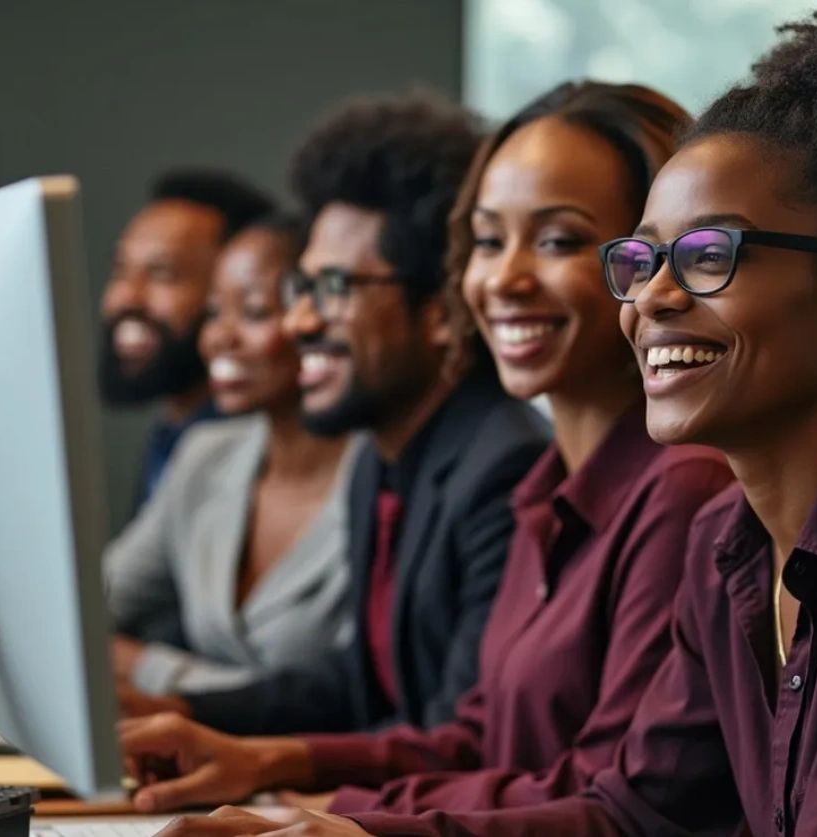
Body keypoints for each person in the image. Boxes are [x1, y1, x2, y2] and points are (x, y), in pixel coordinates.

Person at [139, 4, 817, 836]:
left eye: (710, 254)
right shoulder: (732, 540)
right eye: (638, 260)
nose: (653, 298)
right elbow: (639, 812)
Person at [118, 81, 733, 817]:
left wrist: (334, 812)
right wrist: (265, 762)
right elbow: (477, 737)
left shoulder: (680, 490)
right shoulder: (545, 484)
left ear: (645, 260)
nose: (504, 277)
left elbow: (609, 800)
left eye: (559, 240)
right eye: (485, 240)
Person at [120, 94, 550, 742]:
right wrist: (189, 716)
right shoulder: (384, 459)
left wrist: (279, 771)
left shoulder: (506, 468)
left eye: (335, 289)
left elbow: (464, 741)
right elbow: (354, 686)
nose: (302, 322)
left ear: (442, 311)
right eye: (303, 288)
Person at [104, 213, 363, 702]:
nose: (220, 337)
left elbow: (348, 699)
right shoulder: (206, 456)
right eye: (214, 312)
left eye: (254, 311)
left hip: (319, 769)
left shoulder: (380, 474)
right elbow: (100, 598)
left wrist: (147, 667)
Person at [100, 168, 276, 508]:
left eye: (163, 274)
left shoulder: (256, 453)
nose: (127, 297)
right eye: (121, 270)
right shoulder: (169, 435)